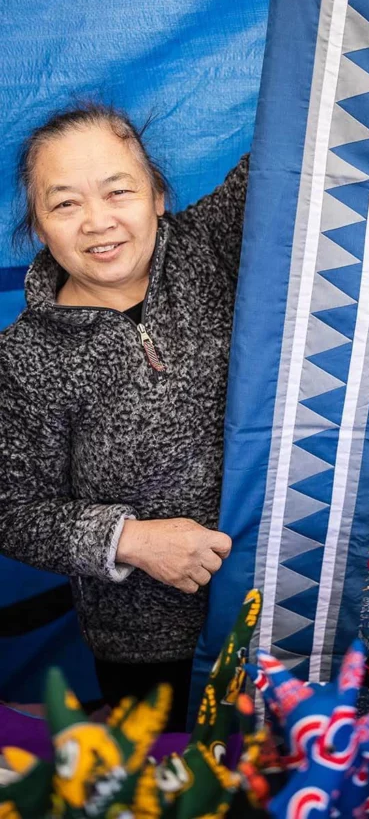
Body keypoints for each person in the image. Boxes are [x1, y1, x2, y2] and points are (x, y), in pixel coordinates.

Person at [0, 104, 249, 730]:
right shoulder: (24, 356)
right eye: (64, 204)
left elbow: (304, 138)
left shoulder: (208, 244)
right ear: (38, 227)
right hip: (143, 640)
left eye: (119, 191)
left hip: (274, 598)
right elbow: (11, 509)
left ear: (158, 195)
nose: (98, 222)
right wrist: (129, 540)